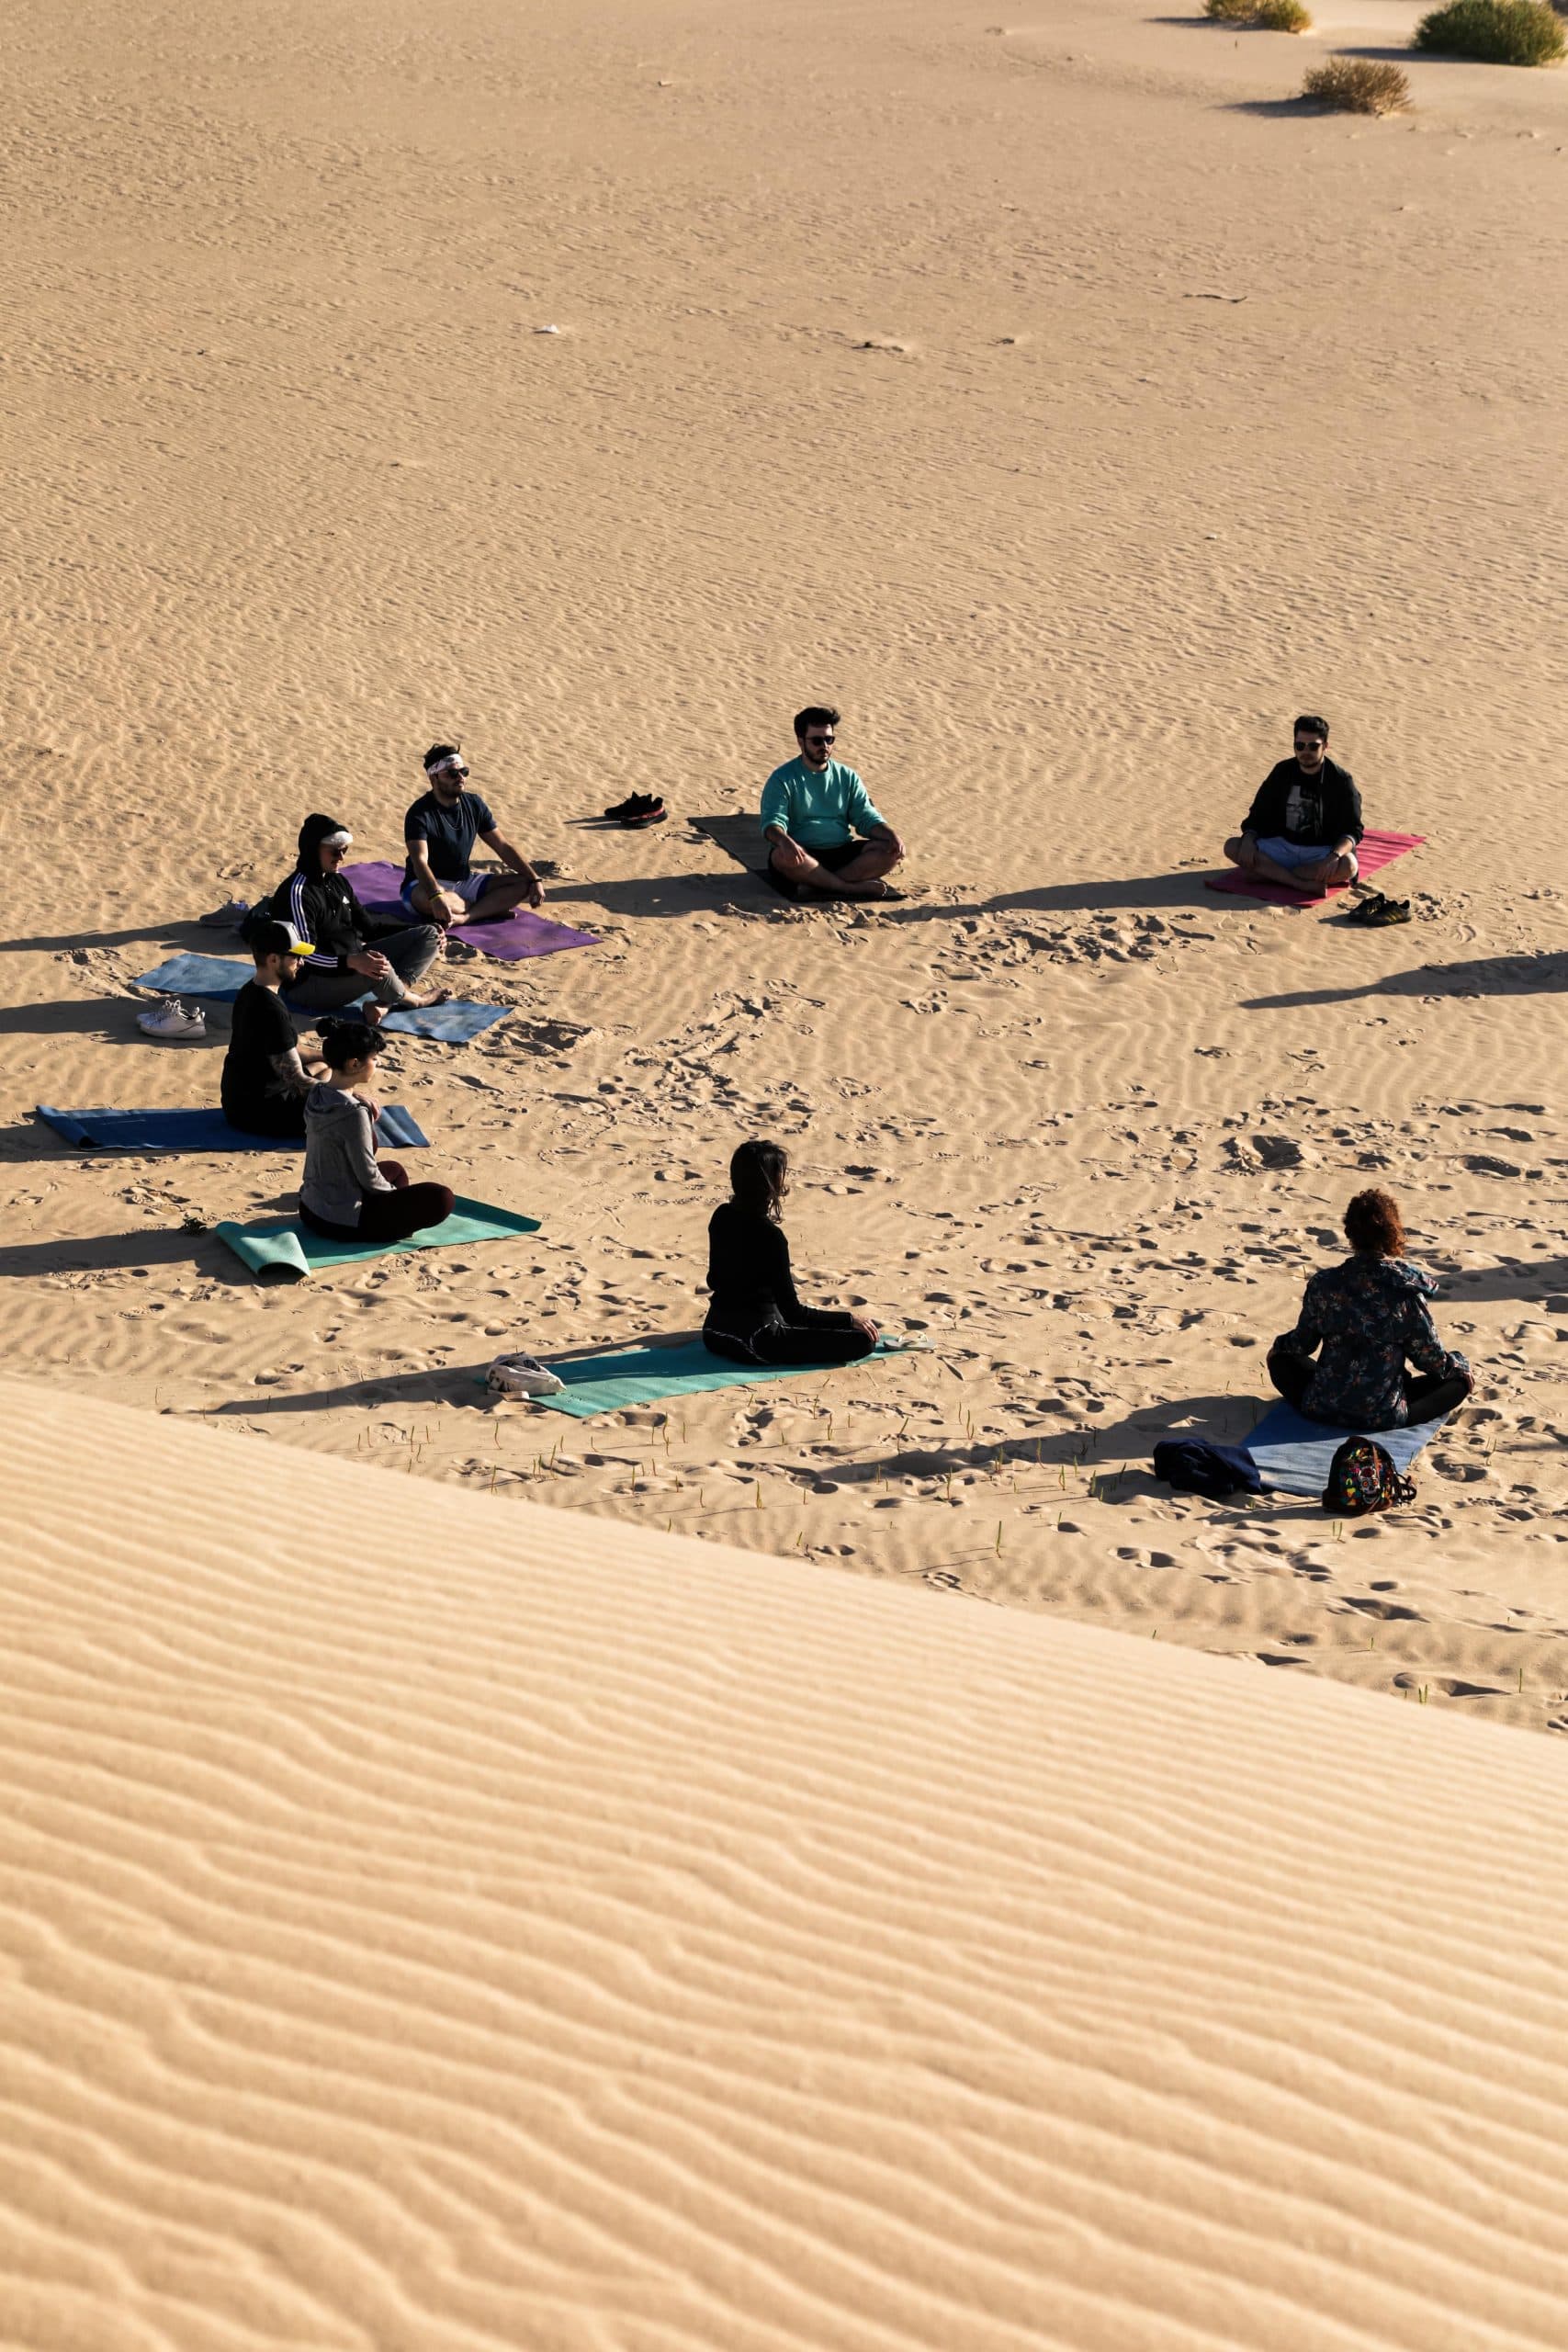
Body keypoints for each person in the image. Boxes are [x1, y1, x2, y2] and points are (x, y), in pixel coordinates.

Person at [1267, 1188, 1473, 1430]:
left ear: (1349, 1233)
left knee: (1280, 1360)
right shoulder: (1404, 1291)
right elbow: (1430, 1360)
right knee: (1459, 1381)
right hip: (1381, 1414)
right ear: (1393, 1233)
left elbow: (1302, 1344)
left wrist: (1278, 1348)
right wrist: (1460, 1365)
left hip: (1321, 1405)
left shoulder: (1325, 1284)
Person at [703, 1139, 880, 1366]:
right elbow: (794, 1313)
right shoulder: (770, 1236)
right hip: (757, 1341)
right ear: (769, 1184)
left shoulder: (721, 1216)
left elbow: (714, 1279)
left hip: (714, 1332)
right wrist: (849, 1319)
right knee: (863, 1341)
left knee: (776, 1314)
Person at [268, 813, 449, 1022]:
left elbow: (370, 927)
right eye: (335, 852)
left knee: (429, 934)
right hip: (309, 983)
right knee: (376, 966)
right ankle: (416, 1000)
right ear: (313, 849)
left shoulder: (337, 881)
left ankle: (386, 1002)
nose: (342, 858)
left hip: (350, 962)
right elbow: (304, 955)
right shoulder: (298, 892)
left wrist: (421, 929)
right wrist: (351, 962)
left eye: (344, 851)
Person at [299, 1023, 456, 1244]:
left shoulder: (318, 1093)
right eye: (373, 1059)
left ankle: (391, 1216)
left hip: (309, 1208)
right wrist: (392, 1195)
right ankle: (390, 1226)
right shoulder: (352, 1114)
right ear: (354, 1064)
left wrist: (357, 1099)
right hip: (340, 1222)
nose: (377, 1063)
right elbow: (368, 1177)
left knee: (395, 1169)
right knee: (442, 1198)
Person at [761, 707, 906, 901]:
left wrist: (891, 835)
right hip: (802, 853)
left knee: (889, 851)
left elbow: (865, 817)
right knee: (780, 856)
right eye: (816, 741)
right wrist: (785, 842)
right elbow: (772, 824)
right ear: (800, 741)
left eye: (829, 739)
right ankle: (848, 888)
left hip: (842, 852)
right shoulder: (782, 778)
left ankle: (820, 886)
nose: (824, 745)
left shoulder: (847, 776)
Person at [402, 744, 545, 927]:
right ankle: (487, 908)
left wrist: (535, 879)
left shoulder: (474, 804)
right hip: (425, 885)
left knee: (525, 882)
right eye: (452, 773)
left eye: (464, 771)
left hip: (465, 882)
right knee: (433, 900)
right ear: (433, 777)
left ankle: (467, 916)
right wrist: (436, 895)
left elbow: (502, 845)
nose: (460, 778)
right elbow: (419, 860)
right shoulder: (420, 812)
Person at [1224, 716, 1363, 892]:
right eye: (1300, 746)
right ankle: (1300, 883)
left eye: (1313, 746)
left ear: (1325, 746)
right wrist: (1249, 838)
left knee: (1349, 865)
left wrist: (1334, 857)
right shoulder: (1282, 771)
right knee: (1233, 846)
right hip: (1282, 846)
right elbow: (1258, 812)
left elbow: (1353, 829)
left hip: (1321, 851)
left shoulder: (1341, 780)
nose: (1306, 751)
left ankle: (1270, 874)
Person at [220, 920, 328, 1138]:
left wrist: (331, 1055)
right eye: (296, 957)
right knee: (346, 1111)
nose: (301, 962)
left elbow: (290, 1051)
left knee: (326, 1067)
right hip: (261, 1113)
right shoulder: (271, 1010)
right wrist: (348, 1099)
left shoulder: (250, 990)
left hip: (237, 1102)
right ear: (273, 959)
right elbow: (296, 1079)